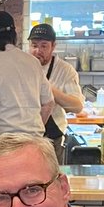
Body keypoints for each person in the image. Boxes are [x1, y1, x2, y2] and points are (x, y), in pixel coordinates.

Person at [0, 10, 54, 149]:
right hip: (35, 145)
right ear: (14, 35)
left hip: (6, 146)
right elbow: (49, 103)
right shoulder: (32, 62)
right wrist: (32, 131)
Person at [27, 23, 84, 164]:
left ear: (53, 46)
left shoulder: (65, 70)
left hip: (53, 139)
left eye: (44, 46)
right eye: (34, 45)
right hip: (26, 135)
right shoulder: (23, 66)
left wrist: (48, 89)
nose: (37, 50)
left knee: (50, 180)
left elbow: (77, 107)